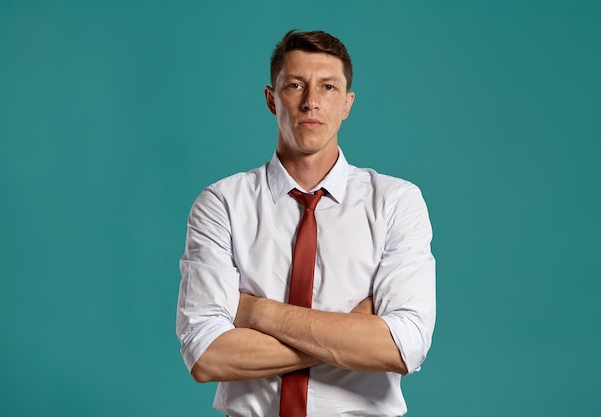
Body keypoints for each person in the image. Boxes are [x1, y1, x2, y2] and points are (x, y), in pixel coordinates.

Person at [176, 29, 436, 417]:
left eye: (328, 87)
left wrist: (256, 313)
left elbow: (403, 346)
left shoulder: (396, 202)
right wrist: (349, 333)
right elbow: (206, 355)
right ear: (271, 99)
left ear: (347, 104)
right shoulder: (222, 204)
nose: (311, 102)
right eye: (295, 85)